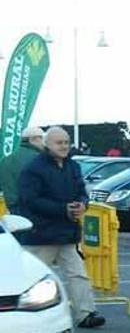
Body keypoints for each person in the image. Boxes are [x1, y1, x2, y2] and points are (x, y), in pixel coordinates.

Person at [18, 127, 106, 328]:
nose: (64, 146)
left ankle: (86, 314)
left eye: (66, 142)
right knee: (33, 279)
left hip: (68, 233)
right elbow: (29, 200)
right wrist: (62, 209)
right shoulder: (33, 169)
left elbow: (82, 191)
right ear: (46, 144)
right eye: (59, 142)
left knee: (78, 274)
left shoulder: (73, 166)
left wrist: (83, 204)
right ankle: (24, 316)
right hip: (41, 234)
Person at [0, 126, 45, 215]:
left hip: (14, 211)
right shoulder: (41, 159)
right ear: (33, 139)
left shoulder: (5, 161)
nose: (45, 143)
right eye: (42, 138)